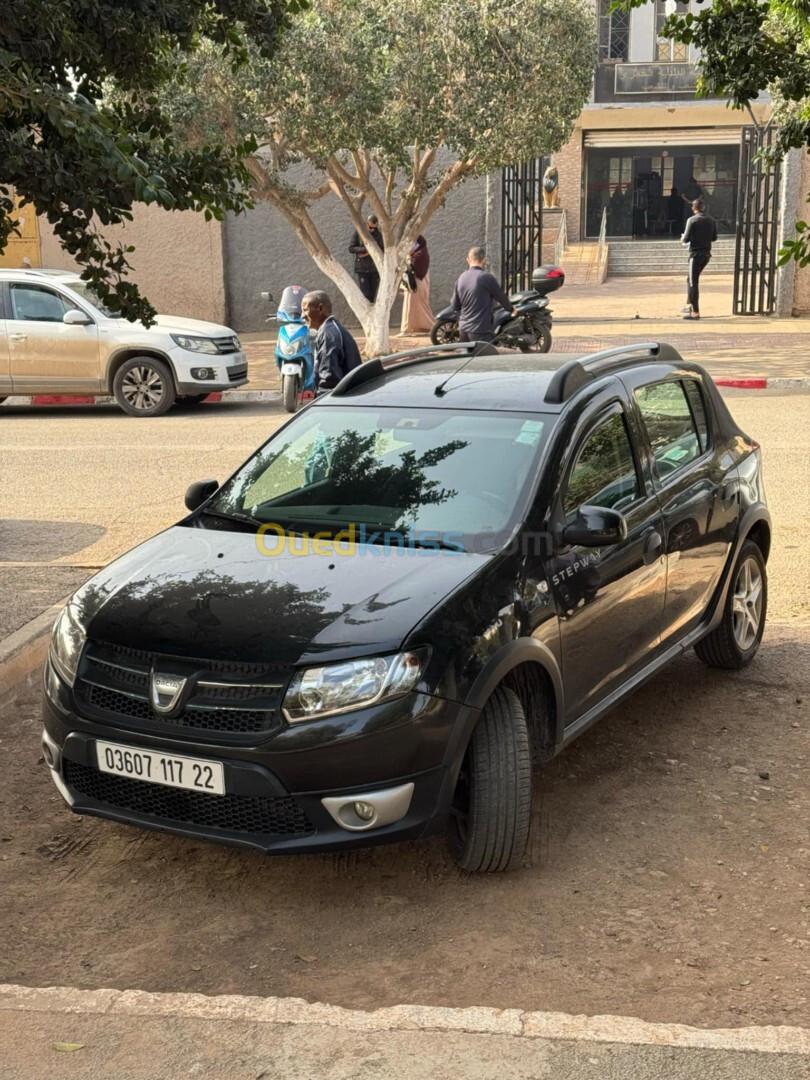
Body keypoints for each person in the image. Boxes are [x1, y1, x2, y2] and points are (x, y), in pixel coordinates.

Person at [450, 246, 516, 342]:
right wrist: (511, 309)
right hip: (480, 330)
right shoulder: (487, 278)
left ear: (468, 260)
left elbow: (455, 305)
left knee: (467, 356)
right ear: (484, 260)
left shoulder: (461, 278)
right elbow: (501, 297)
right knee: (487, 356)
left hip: (463, 330)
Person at [302, 291, 362, 394]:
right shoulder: (330, 329)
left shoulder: (328, 335)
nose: (303, 316)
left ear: (320, 309)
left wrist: (323, 405)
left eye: (306, 310)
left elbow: (329, 380)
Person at [681, 198, 717, 320]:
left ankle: (695, 312)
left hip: (695, 255)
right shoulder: (711, 220)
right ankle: (689, 305)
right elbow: (714, 238)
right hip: (706, 255)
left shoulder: (692, 220)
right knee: (690, 279)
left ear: (693, 208)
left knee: (693, 282)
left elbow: (685, 239)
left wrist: (685, 239)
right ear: (703, 207)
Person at [399, 234, 434, 335]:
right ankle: (413, 328)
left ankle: (408, 329)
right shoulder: (417, 253)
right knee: (411, 305)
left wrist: (407, 261)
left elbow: (415, 268)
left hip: (417, 283)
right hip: (415, 283)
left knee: (414, 306)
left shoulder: (420, 254)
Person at [348, 215, 384, 303]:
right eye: (370, 227)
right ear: (367, 223)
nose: (372, 229)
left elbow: (382, 250)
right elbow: (351, 248)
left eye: (374, 228)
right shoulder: (359, 233)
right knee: (366, 295)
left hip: (374, 268)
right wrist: (366, 250)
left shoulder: (378, 234)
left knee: (373, 295)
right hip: (362, 268)